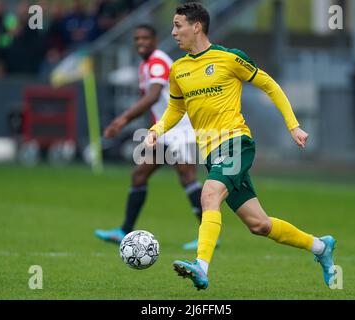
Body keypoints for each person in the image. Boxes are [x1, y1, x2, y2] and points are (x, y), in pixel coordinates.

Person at [144, 2, 337, 290]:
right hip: (211, 152)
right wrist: (156, 130)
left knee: (209, 194)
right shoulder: (179, 69)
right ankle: (321, 247)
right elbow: (174, 109)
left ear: (196, 27)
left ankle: (201, 266)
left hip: (236, 143)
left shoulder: (229, 58)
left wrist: (293, 125)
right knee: (259, 225)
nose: (173, 32)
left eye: (178, 25)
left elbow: (269, 84)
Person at [95, 24, 206, 250]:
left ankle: (208, 234)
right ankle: (124, 230)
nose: (140, 42)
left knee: (187, 177)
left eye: (145, 38)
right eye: (137, 38)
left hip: (180, 128)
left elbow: (154, 95)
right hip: (164, 130)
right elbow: (151, 96)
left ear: (155, 40)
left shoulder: (157, 61)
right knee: (139, 174)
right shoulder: (147, 64)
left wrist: (123, 119)